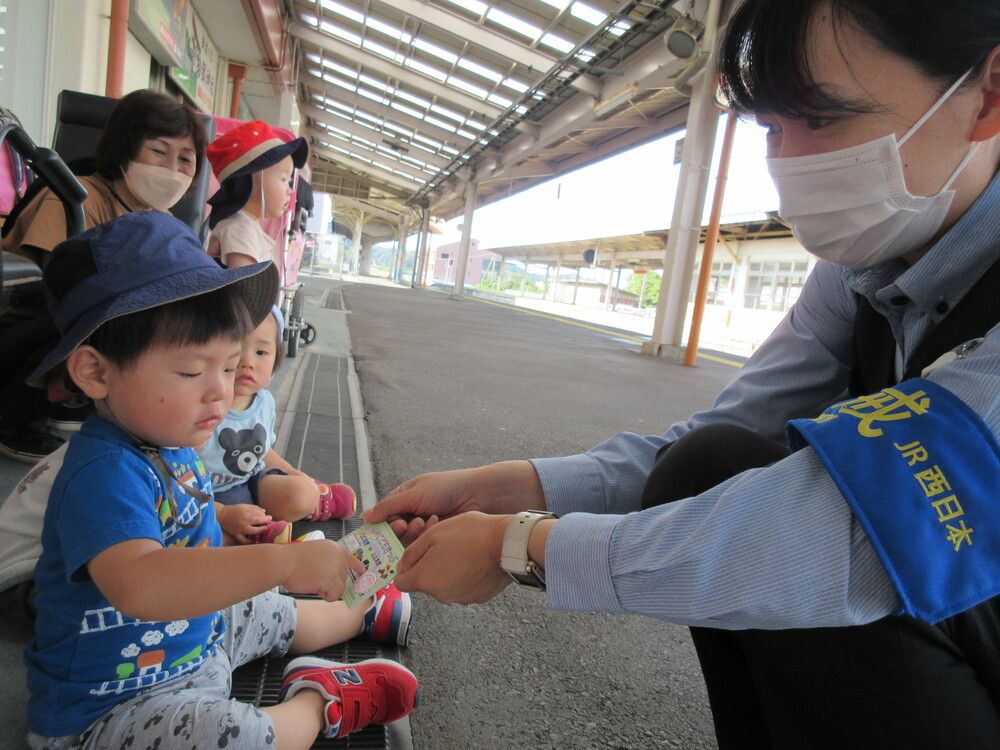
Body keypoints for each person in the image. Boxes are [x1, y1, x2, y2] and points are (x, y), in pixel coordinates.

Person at [364, 1, 1000, 748]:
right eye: (770, 126)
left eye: (822, 119)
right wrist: (515, 486)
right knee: (707, 465)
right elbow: (722, 435)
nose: (789, 162)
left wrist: (521, 544)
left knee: (845, 541)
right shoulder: (862, 267)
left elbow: (847, 538)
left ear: (989, 95)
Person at [23, 210, 418, 748]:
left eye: (229, 368)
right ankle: (316, 701)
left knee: (269, 610)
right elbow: (141, 582)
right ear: (95, 371)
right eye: (191, 372)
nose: (220, 392)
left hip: (196, 635)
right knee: (231, 734)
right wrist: (287, 561)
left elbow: (191, 521)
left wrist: (231, 520)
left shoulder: (174, 439)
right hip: (115, 707)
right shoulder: (103, 470)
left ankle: (360, 603)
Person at [0, 88, 207, 462]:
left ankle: (79, 402)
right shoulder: (70, 197)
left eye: (186, 160)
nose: (172, 170)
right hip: (27, 333)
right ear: (125, 148)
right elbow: (60, 289)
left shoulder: (168, 224)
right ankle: (15, 419)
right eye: (158, 152)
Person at [205, 305, 358, 545]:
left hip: (252, 481)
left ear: (277, 358)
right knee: (212, 540)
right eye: (236, 349)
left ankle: (313, 502)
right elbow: (177, 483)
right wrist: (222, 514)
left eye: (261, 352)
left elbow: (263, 451)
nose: (247, 362)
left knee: (301, 492)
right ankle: (259, 534)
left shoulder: (263, 401)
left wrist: (297, 475)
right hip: (206, 499)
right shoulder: (200, 406)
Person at [205, 119, 306, 269]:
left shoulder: (247, 226)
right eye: (284, 179)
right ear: (248, 183)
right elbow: (244, 288)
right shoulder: (240, 229)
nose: (290, 191)